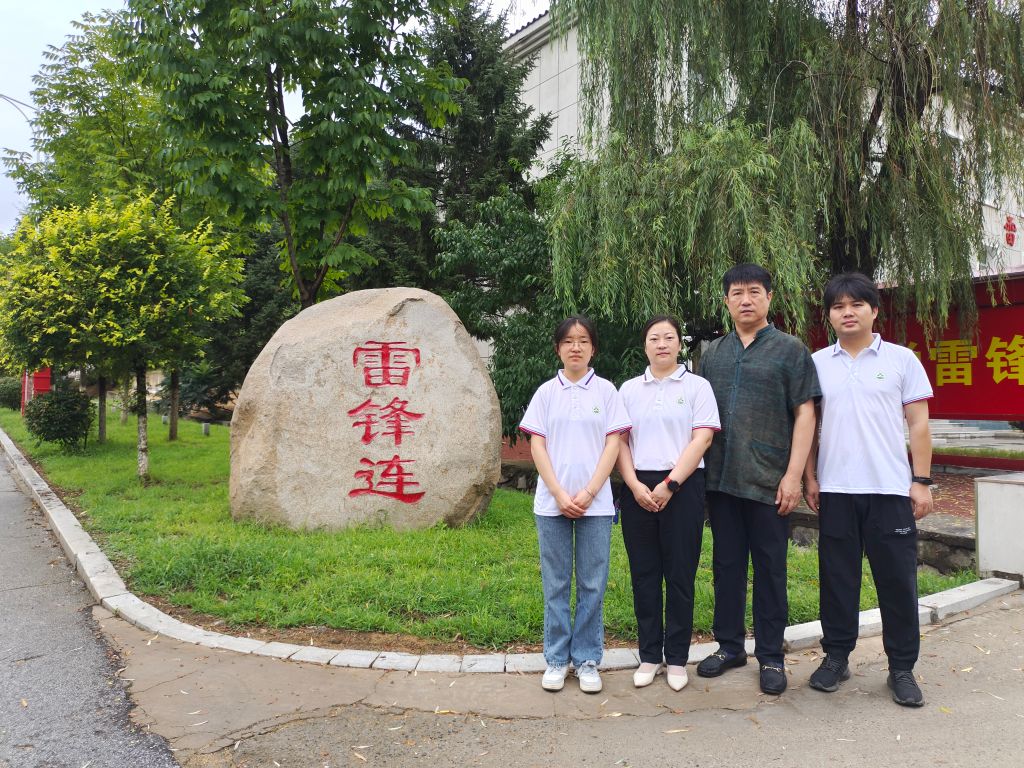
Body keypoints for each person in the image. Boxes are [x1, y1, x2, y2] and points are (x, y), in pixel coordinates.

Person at [802, 272, 933, 707]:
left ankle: (902, 668)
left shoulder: (901, 360)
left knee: (897, 582)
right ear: (829, 316)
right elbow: (809, 427)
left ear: (874, 310)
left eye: (856, 304)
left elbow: (918, 424)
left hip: (889, 490)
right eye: (838, 306)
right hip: (836, 490)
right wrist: (810, 477)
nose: (848, 312)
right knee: (837, 580)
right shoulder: (817, 363)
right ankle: (836, 658)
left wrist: (921, 481)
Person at [696, 263, 820, 695]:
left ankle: (770, 655)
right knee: (726, 567)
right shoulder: (713, 353)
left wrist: (794, 476)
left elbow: (805, 414)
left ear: (769, 297)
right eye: (737, 293)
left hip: (770, 482)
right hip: (721, 480)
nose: (745, 300)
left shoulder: (790, 350)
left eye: (753, 292)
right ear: (726, 301)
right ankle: (730, 646)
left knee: (770, 570)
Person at [519, 316, 631, 694]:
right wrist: (559, 493)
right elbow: (537, 445)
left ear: (593, 348)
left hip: (595, 506)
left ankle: (586, 659)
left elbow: (613, 444)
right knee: (555, 583)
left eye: (583, 340)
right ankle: (555, 659)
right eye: (568, 341)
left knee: (592, 584)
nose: (576, 347)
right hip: (551, 505)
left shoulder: (607, 392)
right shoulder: (546, 393)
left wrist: (589, 491)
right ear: (558, 349)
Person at [617, 315, 721, 691]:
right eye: (654, 338)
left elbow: (702, 438)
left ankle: (676, 658)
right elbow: (619, 442)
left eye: (669, 337)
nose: (661, 344)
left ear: (680, 343)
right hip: (637, 488)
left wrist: (670, 484)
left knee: (680, 574)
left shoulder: (697, 387)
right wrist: (634, 485)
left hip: (683, 485)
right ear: (644, 345)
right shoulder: (629, 390)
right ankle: (648, 655)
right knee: (644, 575)